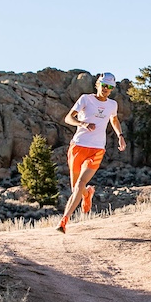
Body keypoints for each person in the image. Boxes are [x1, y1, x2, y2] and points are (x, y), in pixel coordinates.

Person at [57, 72, 126, 232]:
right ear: (98, 84)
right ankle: (87, 194)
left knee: (80, 183)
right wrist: (83, 124)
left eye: (110, 87)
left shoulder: (112, 104)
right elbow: (68, 118)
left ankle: (64, 221)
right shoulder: (85, 99)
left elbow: (114, 120)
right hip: (78, 146)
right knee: (76, 187)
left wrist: (120, 136)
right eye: (104, 85)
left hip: (97, 149)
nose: (106, 89)